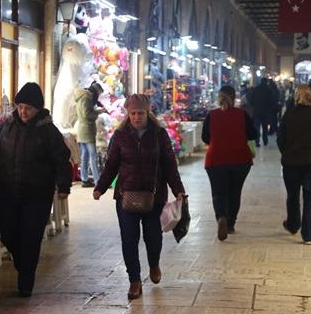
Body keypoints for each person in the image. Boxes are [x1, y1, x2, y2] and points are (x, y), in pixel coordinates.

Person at [93, 94, 185, 300]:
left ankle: (154, 264)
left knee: (153, 236)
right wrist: (101, 187)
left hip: (155, 195)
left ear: (147, 113)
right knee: (129, 239)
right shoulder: (120, 136)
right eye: (133, 113)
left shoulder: (159, 135)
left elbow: (169, 164)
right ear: (128, 114)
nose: (136, 117)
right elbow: (111, 165)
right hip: (126, 196)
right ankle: (134, 281)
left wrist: (178, 188)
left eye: (140, 113)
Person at [0, 82, 72, 298]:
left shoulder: (48, 131)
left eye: (29, 108)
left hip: (37, 194)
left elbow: (61, 160)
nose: (24, 112)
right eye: (21, 107)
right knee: (8, 234)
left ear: (38, 109)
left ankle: (26, 281)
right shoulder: (4, 127)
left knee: (30, 238)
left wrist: (63, 186)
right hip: (7, 191)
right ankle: (23, 264)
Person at [277, 85, 311, 245]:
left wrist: (286, 152)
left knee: (292, 195)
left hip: (291, 163)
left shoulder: (288, 116)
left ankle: (293, 225)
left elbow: (280, 139)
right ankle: (308, 235)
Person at [202, 85, 257, 241]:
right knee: (234, 192)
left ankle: (221, 217)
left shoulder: (211, 115)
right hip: (240, 159)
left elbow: (205, 138)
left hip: (216, 159)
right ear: (234, 98)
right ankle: (231, 224)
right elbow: (252, 134)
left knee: (219, 192)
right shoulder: (242, 114)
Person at [75, 81, 105, 187]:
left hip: (83, 129)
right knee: (93, 155)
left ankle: (85, 179)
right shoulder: (86, 99)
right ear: (96, 91)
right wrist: (98, 112)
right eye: (99, 93)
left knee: (85, 156)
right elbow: (87, 114)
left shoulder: (82, 98)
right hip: (87, 130)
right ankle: (98, 181)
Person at [248, 77, 274, 146]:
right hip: (266, 112)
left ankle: (257, 140)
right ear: (266, 82)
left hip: (257, 111)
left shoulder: (255, 89)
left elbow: (251, 100)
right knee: (265, 127)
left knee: (257, 127)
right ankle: (265, 141)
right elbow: (272, 102)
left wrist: (255, 105)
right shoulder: (269, 90)